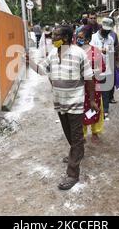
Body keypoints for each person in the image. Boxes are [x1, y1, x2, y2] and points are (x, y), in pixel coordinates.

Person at [27, 25, 98, 190]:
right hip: (59, 102)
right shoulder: (53, 53)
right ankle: (76, 152)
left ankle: (72, 173)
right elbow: (42, 71)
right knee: (70, 136)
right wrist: (29, 62)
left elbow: (88, 78)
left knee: (77, 136)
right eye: (52, 35)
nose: (53, 38)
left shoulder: (79, 53)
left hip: (75, 102)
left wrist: (93, 100)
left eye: (56, 35)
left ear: (66, 37)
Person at [76, 28, 106, 144]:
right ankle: (82, 134)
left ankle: (95, 132)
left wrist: (92, 72)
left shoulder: (95, 51)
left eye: (81, 38)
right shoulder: (74, 51)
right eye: (77, 37)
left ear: (88, 39)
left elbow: (102, 68)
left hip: (93, 85)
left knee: (95, 107)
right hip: (79, 86)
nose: (79, 40)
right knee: (80, 109)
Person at [90, 18, 115, 121]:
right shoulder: (93, 37)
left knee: (105, 91)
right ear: (101, 27)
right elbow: (90, 50)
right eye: (106, 30)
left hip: (107, 68)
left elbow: (112, 52)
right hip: (96, 69)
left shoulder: (110, 39)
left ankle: (105, 111)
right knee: (95, 91)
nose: (107, 32)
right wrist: (100, 51)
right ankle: (94, 112)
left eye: (109, 30)